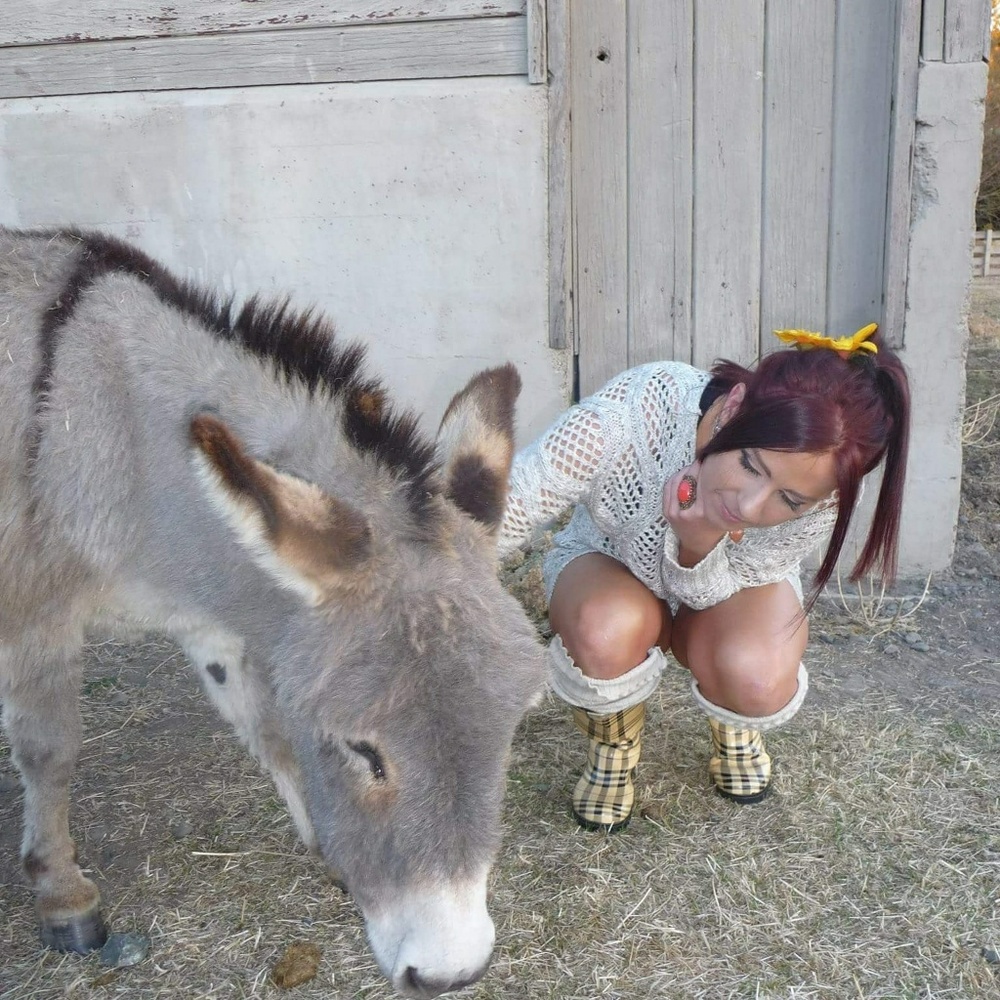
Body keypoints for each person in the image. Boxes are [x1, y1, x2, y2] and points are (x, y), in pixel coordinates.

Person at [498, 324, 910, 830]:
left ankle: (731, 721)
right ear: (734, 405)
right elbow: (514, 497)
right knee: (604, 628)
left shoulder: (824, 501)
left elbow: (720, 585)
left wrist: (698, 539)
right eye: (750, 464)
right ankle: (614, 746)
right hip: (609, 561)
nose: (749, 505)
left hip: (730, 590)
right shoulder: (639, 409)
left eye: (789, 499)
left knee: (756, 676)